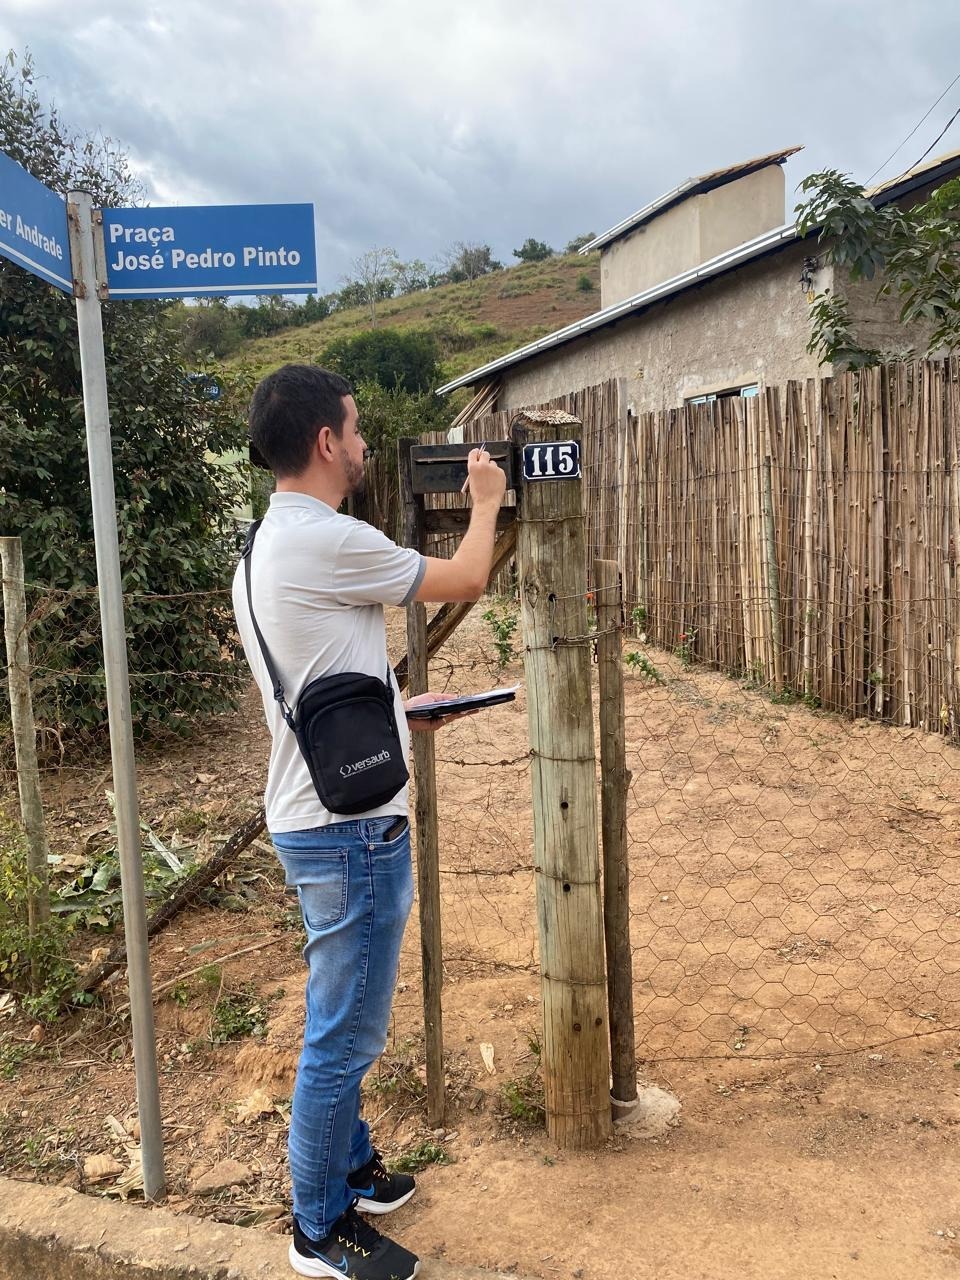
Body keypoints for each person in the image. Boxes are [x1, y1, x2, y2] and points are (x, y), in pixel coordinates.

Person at [232, 364, 506, 1280]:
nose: (361, 445)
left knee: (339, 1015)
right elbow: (468, 575)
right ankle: (318, 1227)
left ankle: (352, 1168)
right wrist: (485, 499)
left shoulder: (261, 549)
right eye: (354, 430)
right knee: (344, 1033)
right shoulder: (331, 539)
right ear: (325, 442)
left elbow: (314, 678)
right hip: (349, 832)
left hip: (312, 810)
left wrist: (397, 711)